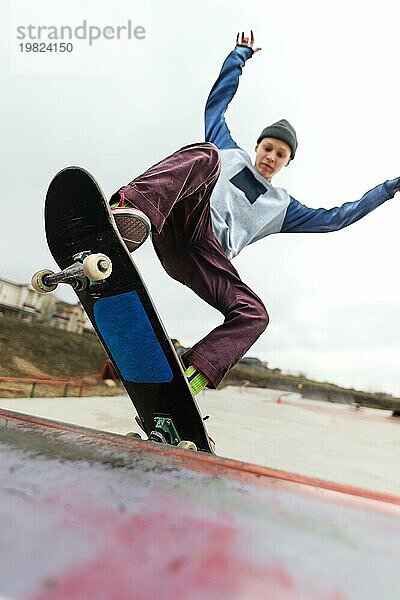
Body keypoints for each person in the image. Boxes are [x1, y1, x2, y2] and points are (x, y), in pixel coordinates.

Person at [110, 31, 400, 396]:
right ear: (257, 145)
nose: (270, 158)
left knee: (254, 314)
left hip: (207, 261)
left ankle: (193, 377)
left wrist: (388, 189)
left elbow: (336, 218)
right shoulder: (231, 151)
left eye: (280, 154)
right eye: (267, 148)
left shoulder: (283, 207)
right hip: (180, 221)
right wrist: (239, 56)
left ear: (288, 161)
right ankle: (127, 212)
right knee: (207, 154)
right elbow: (217, 104)